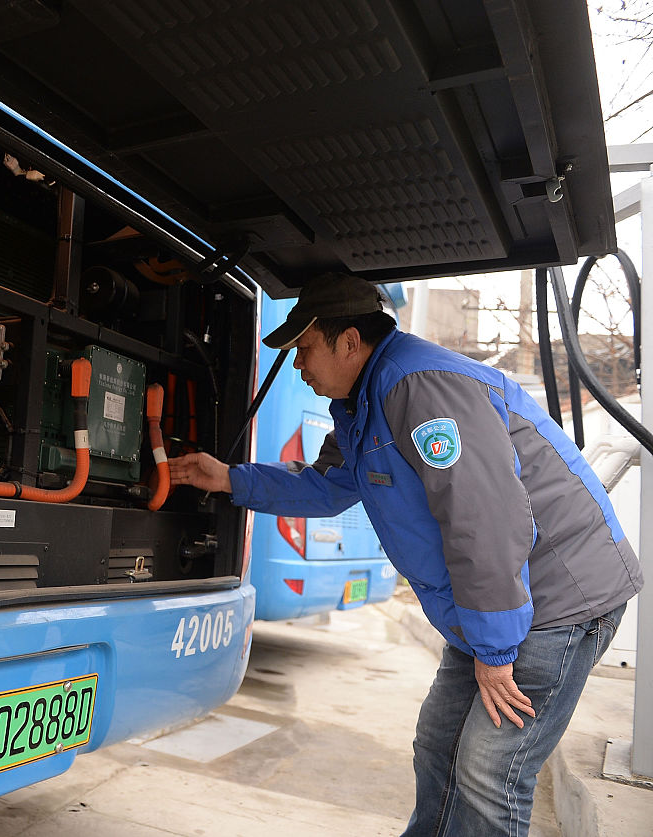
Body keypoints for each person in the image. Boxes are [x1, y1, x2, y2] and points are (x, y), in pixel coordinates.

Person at [167, 272, 643, 837]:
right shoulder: (365, 401)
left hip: (556, 600)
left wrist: (493, 650)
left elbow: (485, 518)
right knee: (439, 746)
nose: (299, 366)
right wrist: (230, 480)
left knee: (491, 772)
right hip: (499, 604)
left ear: (349, 342)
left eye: (305, 349)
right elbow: (326, 486)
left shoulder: (422, 388)